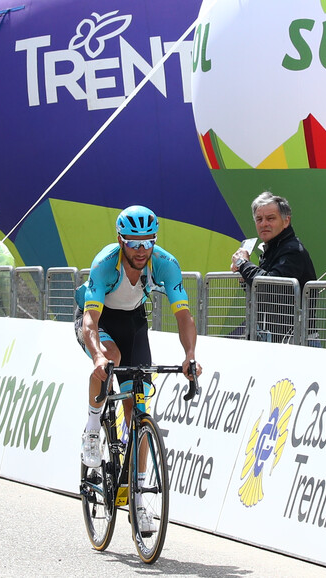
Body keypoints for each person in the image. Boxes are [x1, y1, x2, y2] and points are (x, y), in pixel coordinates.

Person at [76, 206, 198, 535]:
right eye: (133, 243)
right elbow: (90, 320)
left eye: (148, 242)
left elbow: (184, 316)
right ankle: (92, 428)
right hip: (98, 321)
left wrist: (190, 356)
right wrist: (97, 356)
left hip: (133, 323)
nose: (142, 250)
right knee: (111, 358)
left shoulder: (165, 264)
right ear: (121, 240)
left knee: (139, 408)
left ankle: (139, 501)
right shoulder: (105, 263)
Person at [229, 192, 316, 342]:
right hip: (275, 339)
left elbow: (270, 285)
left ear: (286, 221)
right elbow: (263, 293)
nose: (264, 224)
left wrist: (243, 264)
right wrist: (244, 278)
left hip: (296, 342)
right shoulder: (273, 248)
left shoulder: (293, 250)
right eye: (259, 219)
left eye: (270, 218)